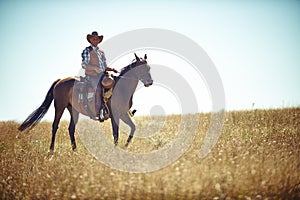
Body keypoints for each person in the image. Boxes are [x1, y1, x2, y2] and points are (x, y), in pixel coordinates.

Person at [81, 31, 118, 121]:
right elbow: (84, 65)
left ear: (99, 40)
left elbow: (104, 66)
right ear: (90, 40)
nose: (95, 40)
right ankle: (98, 113)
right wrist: (94, 68)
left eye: (97, 39)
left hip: (102, 75)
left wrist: (112, 69)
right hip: (92, 76)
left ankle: (119, 108)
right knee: (98, 89)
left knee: (116, 84)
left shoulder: (101, 52)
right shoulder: (87, 50)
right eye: (93, 39)